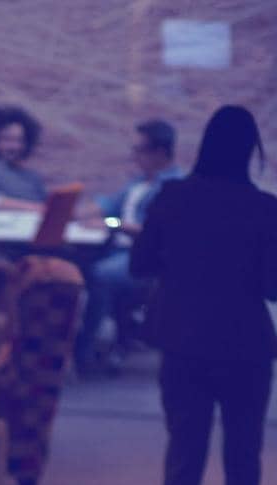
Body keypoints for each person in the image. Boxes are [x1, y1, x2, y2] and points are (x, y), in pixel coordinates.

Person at [130, 105, 277, 485]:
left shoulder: (172, 199)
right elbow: (275, 287)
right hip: (246, 346)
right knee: (244, 459)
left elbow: (140, 265)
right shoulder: (263, 207)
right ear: (249, 151)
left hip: (183, 341)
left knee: (184, 458)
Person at [74, 119, 181, 375]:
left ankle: (84, 351)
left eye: (140, 150)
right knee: (72, 261)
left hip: (143, 257)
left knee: (100, 275)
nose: (134, 156)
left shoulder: (174, 187)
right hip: (115, 250)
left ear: (160, 153)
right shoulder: (138, 183)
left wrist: (111, 223)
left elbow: (155, 231)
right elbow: (109, 205)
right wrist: (76, 213)